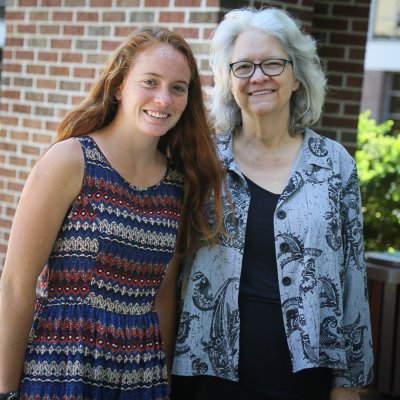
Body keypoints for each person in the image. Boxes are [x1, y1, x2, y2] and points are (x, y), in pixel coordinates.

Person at [0, 26, 224, 400]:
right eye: (150, 82)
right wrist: (5, 390)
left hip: (140, 377)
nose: (163, 99)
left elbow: (163, 295)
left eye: (178, 88)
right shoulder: (71, 161)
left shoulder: (178, 186)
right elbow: (14, 285)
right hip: (64, 367)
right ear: (120, 86)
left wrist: (163, 386)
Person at [171, 7, 374, 400]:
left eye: (273, 64)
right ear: (229, 80)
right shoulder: (203, 162)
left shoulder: (334, 165)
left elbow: (353, 278)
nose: (258, 77)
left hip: (303, 379)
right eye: (243, 66)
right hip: (206, 376)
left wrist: (350, 383)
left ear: (296, 76)